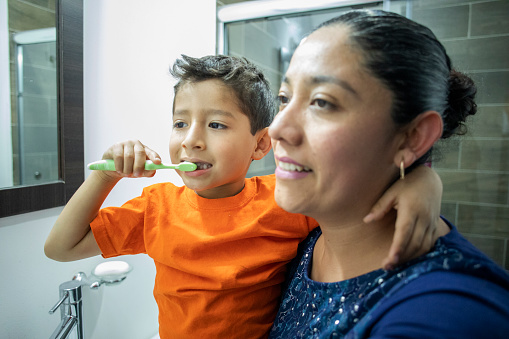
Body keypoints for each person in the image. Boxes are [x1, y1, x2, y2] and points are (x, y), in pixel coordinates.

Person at [45, 55, 443, 338]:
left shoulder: (282, 198)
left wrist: (422, 182)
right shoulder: (156, 206)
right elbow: (61, 248)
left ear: (260, 145)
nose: (192, 140)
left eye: (216, 124)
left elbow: (359, 197)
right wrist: (106, 177)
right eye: (180, 123)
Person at [268, 9, 509, 338]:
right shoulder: (306, 239)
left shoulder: (444, 313)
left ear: (412, 136)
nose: (277, 128)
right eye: (284, 97)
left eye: (322, 102)